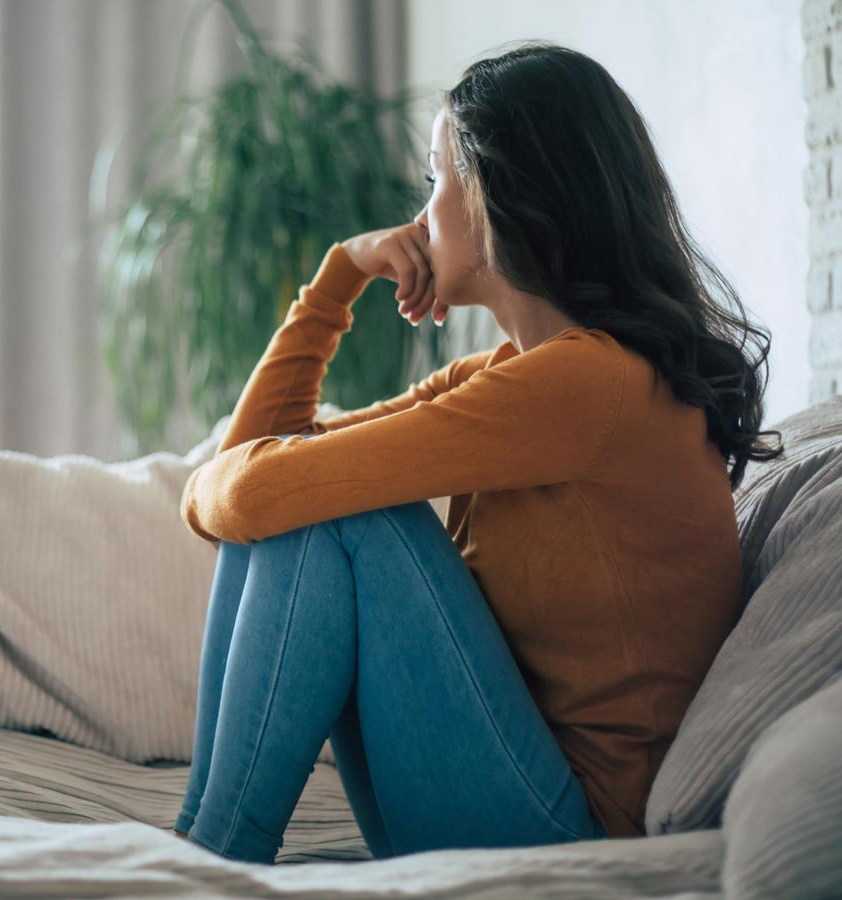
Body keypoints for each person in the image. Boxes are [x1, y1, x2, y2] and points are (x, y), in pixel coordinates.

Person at [169, 41, 783, 865]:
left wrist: (220, 484)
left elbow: (248, 492)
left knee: (346, 514)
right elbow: (258, 473)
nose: (419, 216)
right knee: (316, 500)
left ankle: (208, 858)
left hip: (573, 836)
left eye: (436, 180)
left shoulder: (584, 385)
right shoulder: (517, 378)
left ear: (496, 194)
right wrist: (336, 279)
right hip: (497, 792)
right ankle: (203, 849)